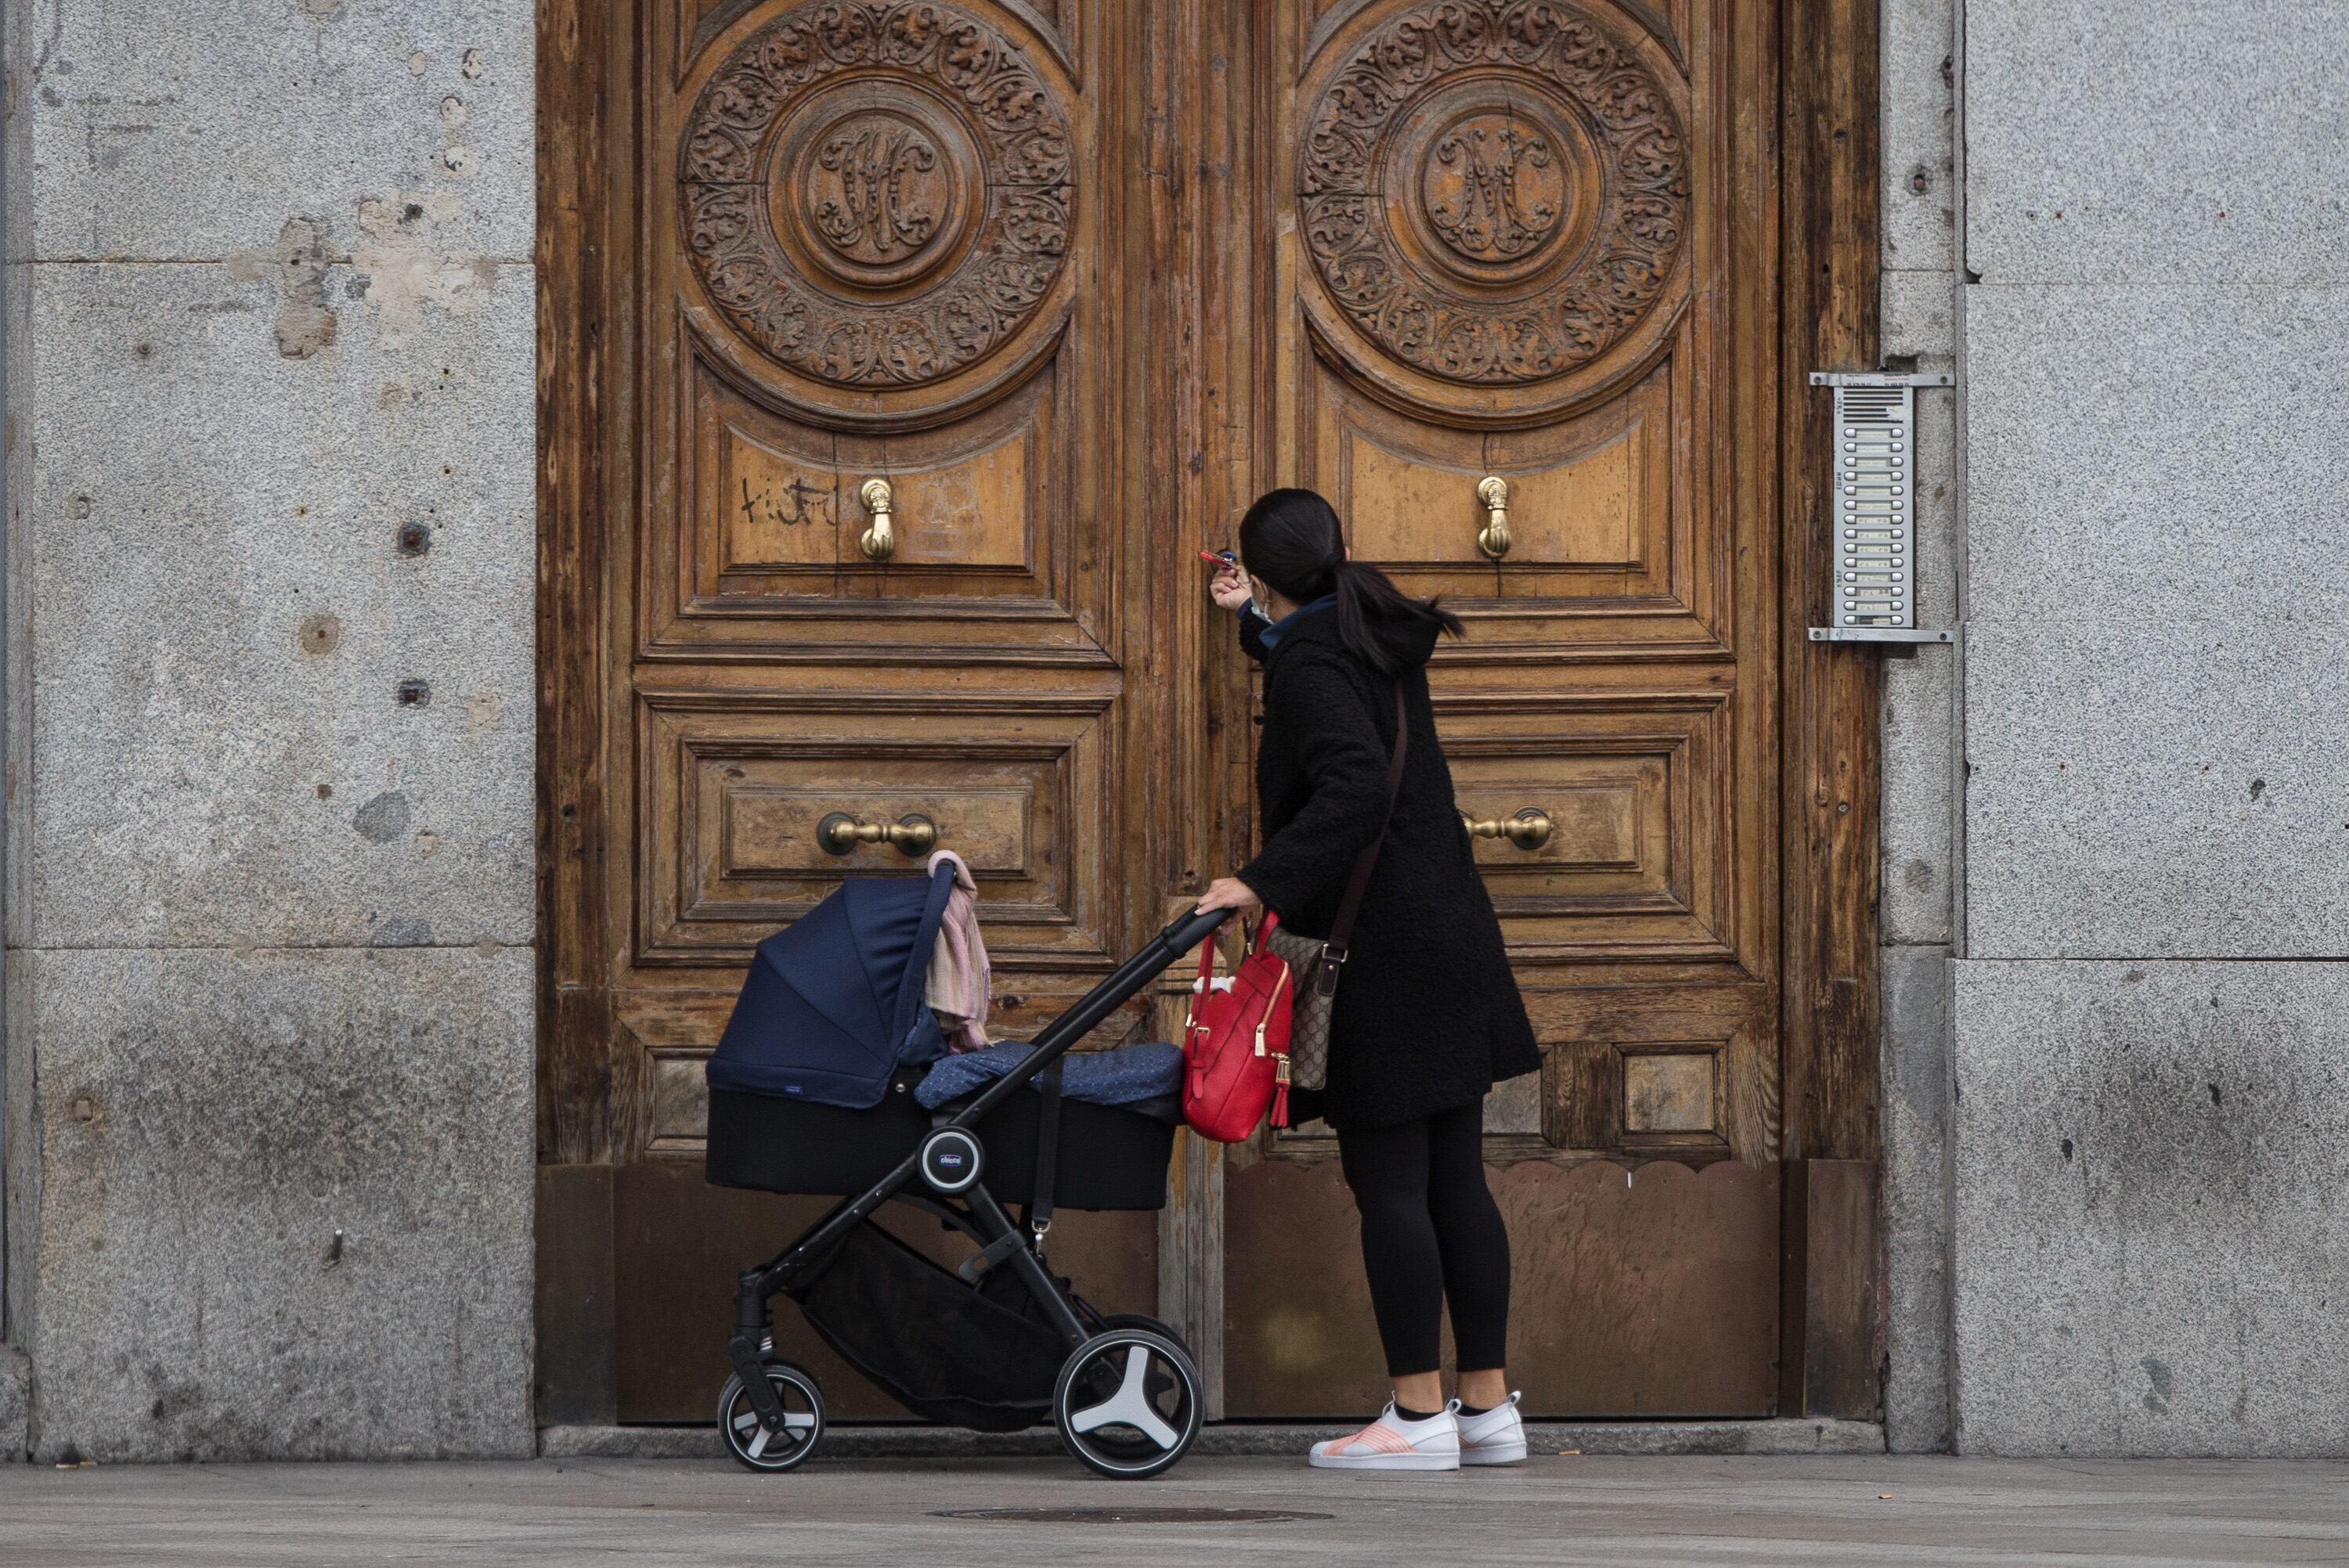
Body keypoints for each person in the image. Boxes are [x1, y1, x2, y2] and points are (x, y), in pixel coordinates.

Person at [1196, 488, 1542, 1472]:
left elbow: (1348, 777)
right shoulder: (1370, 628)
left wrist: (1260, 881)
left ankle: (1416, 1415)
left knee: (1390, 1186)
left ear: (1267, 572)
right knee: (1455, 1183)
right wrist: (1258, 628)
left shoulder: (1318, 657)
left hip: (1382, 955)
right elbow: (1332, 685)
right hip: (1446, 934)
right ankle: (1485, 1407)